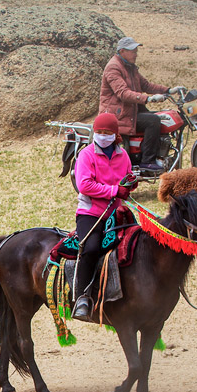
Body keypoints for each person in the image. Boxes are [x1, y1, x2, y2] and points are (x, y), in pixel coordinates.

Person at [71, 112, 136, 321]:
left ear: (115, 134)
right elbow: (84, 185)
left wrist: (130, 184)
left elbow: (126, 178)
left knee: (137, 244)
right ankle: (82, 297)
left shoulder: (123, 155)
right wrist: (115, 190)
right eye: (99, 132)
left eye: (108, 132)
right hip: (91, 214)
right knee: (90, 248)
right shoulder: (86, 155)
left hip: (116, 213)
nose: (103, 136)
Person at [99, 36, 183, 173]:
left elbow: (146, 85)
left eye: (136, 51)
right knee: (153, 121)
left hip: (130, 111)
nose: (136, 54)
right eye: (132, 51)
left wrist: (168, 90)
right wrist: (148, 99)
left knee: (162, 117)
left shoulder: (130, 67)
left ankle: (159, 155)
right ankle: (147, 162)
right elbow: (123, 93)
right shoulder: (113, 67)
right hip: (117, 115)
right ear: (122, 51)